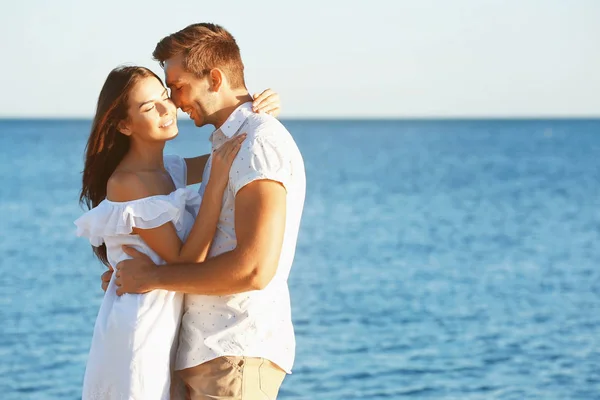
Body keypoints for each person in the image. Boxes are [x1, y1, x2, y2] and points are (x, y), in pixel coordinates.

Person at [109, 23, 306, 399]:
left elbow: (253, 270)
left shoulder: (258, 143)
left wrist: (152, 277)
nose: (176, 102)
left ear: (214, 78)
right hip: (208, 355)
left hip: (234, 355)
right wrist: (125, 271)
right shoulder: (230, 146)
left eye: (179, 87)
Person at [75, 65, 281, 399]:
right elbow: (187, 259)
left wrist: (257, 110)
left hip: (171, 325)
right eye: (148, 107)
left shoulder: (171, 168)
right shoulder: (127, 183)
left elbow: (230, 149)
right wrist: (213, 187)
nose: (165, 109)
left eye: (163, 97)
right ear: (124, 125)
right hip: (141, 327)